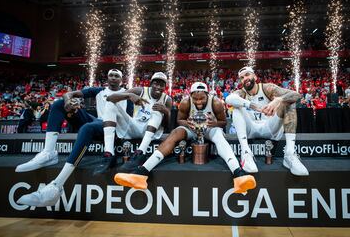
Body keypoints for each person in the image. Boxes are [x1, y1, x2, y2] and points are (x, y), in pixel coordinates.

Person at [113, 82, 256, 194]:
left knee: (219, 135)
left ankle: (239, 174)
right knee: (175, 133)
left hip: (210, 128)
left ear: (207, 94)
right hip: (192, 128)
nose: (199, 102)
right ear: (191, 95)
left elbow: (223, 122)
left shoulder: (216, 103)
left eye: (202, 98)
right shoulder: (186, 102)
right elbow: (179, 120)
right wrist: (187, 123)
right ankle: (141, 173)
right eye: (196, 98)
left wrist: (215, 123)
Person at [16, 69, 127, 207]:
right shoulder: (99, 90)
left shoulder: (127, 94)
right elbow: (69, 93)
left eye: (117, 76)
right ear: (107, 78)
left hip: (114, 129)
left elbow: (127, 122)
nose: (113, 78)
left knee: (87, 128)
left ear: (121, 80)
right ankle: (49, 152)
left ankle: (56, 186)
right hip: (97, 122)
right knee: (59, 103)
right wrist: (68, 101)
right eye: (111, 75)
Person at [225, 66, 308, 176]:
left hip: (269, 128)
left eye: (247, 75)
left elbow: (297, 95)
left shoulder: (267, 88)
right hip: (251, 129)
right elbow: (228, 99)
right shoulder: (241, 93)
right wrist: (255, 107)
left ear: (254, 76)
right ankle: (246, 153)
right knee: (236, 107)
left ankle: (290, 154)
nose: (245, 78)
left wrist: (279, 99)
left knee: (289, 102)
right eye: (242, 77)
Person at [93, 72, 172, 175]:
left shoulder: (167, 99)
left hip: (150, 133)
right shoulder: (140, 90)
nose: (158, 87)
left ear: (165, 87)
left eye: (161, 85)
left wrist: (166, 112)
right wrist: (129, 95)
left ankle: (140, 153)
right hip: (134, 127)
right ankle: (109, 154)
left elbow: (167, 126)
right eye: (155, 83)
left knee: (157, 109)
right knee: (110, 104)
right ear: (151, 84)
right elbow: (110, 98)